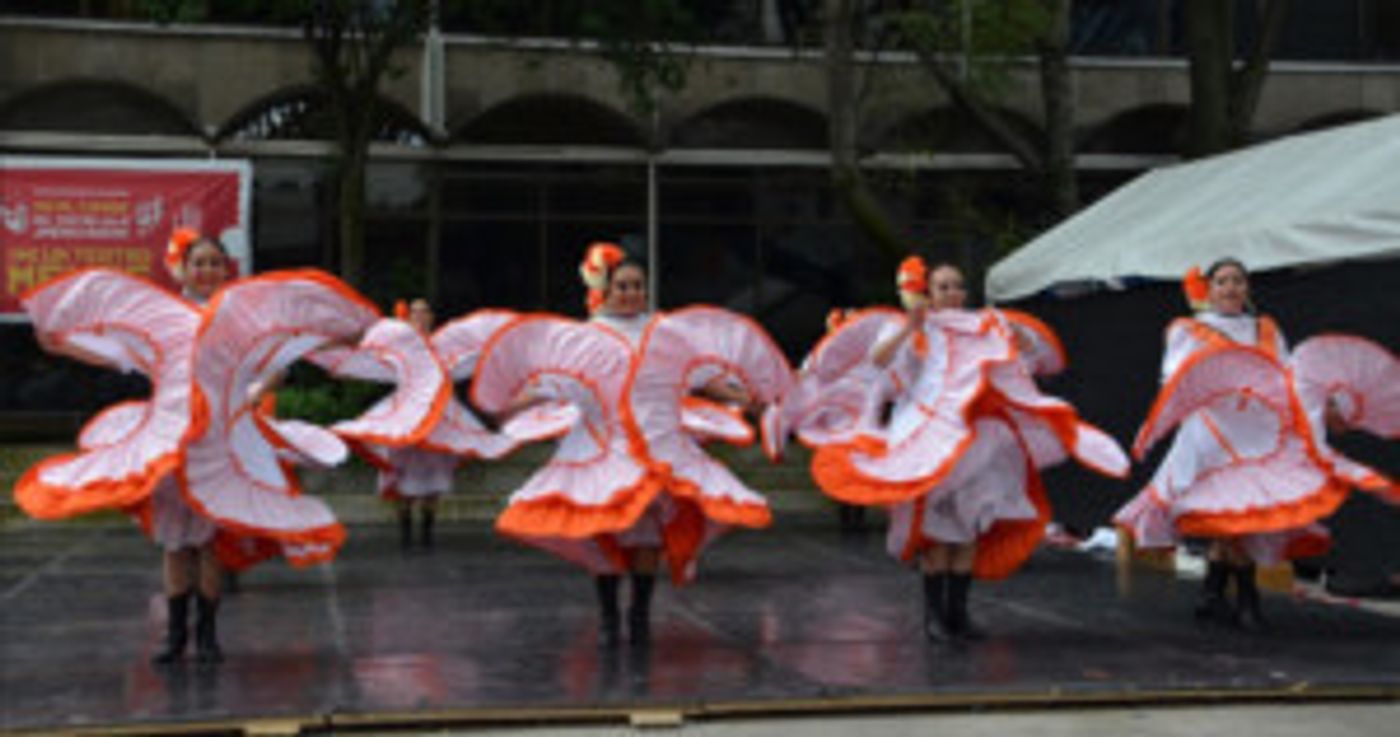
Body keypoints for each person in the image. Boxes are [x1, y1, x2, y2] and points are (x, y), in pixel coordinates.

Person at [808, 257, 1128, 642]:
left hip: (975, 440)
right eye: (943, 287)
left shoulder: (981, 326)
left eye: (958, 285)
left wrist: (1015, 335)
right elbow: (879, 361)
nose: (953, 293)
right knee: (935, 531)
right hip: (928, 439)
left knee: (968, 527)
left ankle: (957, 615)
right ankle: (934, 619)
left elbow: (1029, 357)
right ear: (928, 293)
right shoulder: (912, 327)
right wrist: (910, 326)